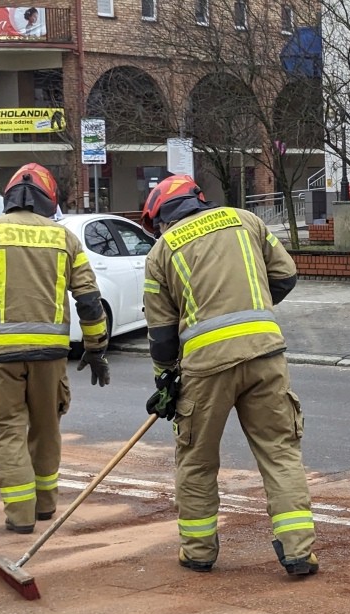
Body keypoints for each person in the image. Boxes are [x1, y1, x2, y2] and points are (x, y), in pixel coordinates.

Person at [139, 174, 318, 577]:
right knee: (279, 451)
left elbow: (162, 334)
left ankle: (199, 552)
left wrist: (165, 379)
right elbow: (286, 276)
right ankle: (298, 551)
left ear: (162, 216)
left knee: (197, 460)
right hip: (265, 353)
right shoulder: (246, 220)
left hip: (204, 367)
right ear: (197, 199)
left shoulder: (163, 250)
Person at [0, 162, 110, 535]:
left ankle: (20, 516)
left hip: (0, 359)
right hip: (51, 359)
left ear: (8, 198)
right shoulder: (65, 238)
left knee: (7, 432)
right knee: (46, 431)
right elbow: (90, 300)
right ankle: (46, 506)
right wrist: (96, 349)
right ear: (48, 200)